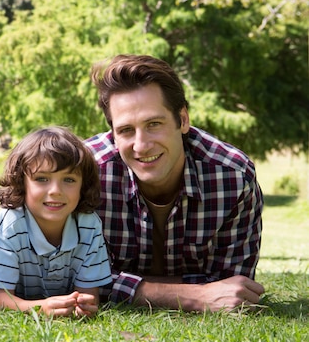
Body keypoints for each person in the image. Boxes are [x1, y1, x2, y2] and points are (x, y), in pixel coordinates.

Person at [85, 54, 265, 312]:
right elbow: (67, 279)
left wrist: (118, 283)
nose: (141, 145)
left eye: (154, 124)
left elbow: (233, 289)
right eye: (126, 130)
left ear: (183, 120)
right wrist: (194, 295)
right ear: (112, 133)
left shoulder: (232, 176)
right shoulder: (84, 175)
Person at [0, 126, 112, 317]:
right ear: (22, 183)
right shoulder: (8, 226)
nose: (55, 190)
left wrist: (83, 305)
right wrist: (41, 308)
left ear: (83, 185)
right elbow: (0, 300)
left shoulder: (89, 225)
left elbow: (88, 295)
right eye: (42, 179)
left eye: (69, 180)